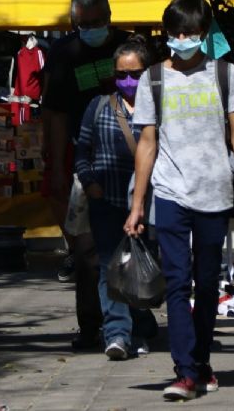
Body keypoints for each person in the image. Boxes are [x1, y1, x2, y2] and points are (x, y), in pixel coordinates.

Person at [125, 0, 234, 401]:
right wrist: (138, 204)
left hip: (215, 193)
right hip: (169, 193)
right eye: (175, 32)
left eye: (190, 32)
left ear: (204, 34)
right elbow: (146, 142)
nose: (181, 39)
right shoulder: (152, 79)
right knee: (177, 282)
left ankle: (200, 362)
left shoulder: (225, 73)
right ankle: (184, 371)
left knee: (206, 283)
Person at [41, 0, 132, 350]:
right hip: (84, 160)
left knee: (133, 243)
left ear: (110, 15)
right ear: (73, 24)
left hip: (131, 155)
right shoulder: (63, 54)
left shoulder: (130, 47)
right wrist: (59, 171)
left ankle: (133, 318)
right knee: (88, 251)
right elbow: (56, 113)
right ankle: (93, 324)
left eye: (98, 21)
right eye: (85, 24)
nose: (93, 28)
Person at [73, 35, 158, 361]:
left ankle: (139, 328)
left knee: (139, 268)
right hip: (106, 202)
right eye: (121, 74)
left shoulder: (158, 109)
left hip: (146, 202)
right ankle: (117, 335)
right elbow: (82, 151)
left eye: (135, 74)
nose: (127, 81)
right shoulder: (97, 107)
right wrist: (89, 181)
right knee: (111, 267)